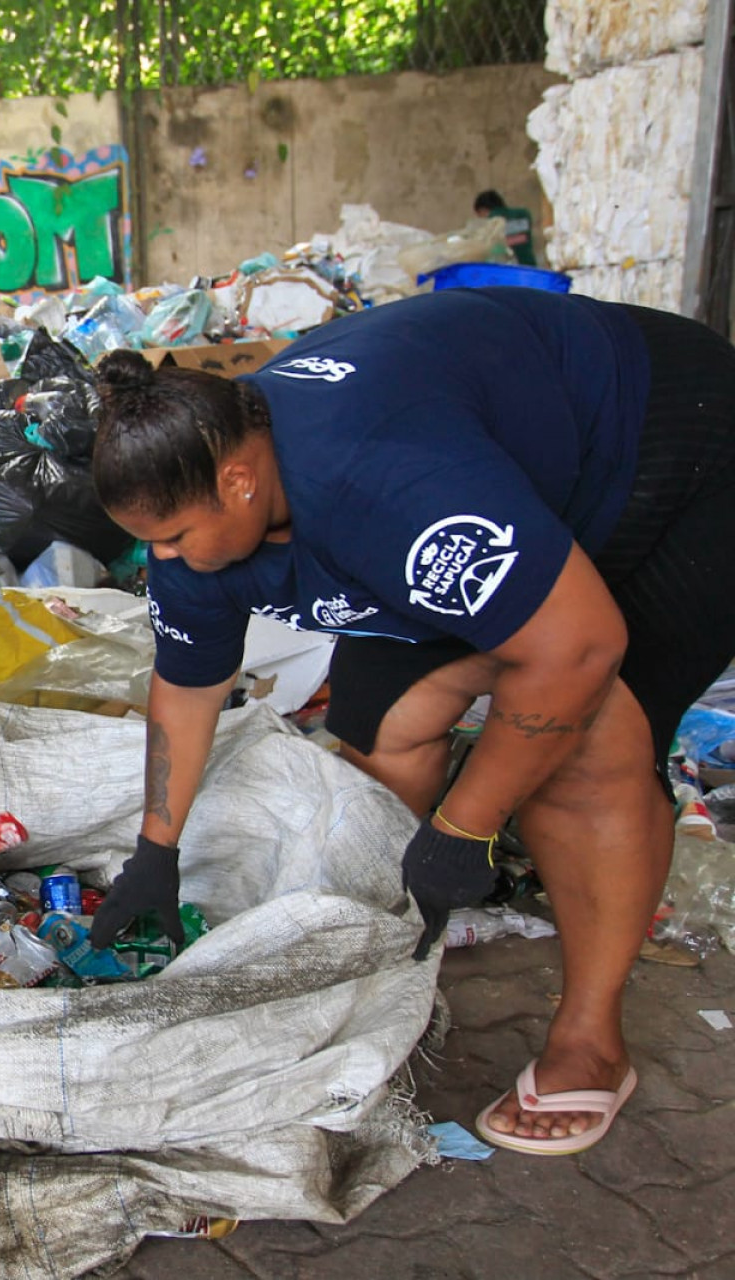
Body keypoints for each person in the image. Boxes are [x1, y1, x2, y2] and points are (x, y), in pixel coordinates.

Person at [81, 286, 735, 1157]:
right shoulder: (203, 501)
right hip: (483, 474)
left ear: (239, 481)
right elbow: (187, 689)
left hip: (668, 445)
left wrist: (468, 827)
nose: (166, 562)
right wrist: (154, 852)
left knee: (583, 749)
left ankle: (590, 1040)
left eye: (174, 539)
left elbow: (577, 647)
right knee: (386, 732)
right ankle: (370, 979)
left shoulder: (371, 480)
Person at [473, 189, 537, 268]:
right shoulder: (524, 214)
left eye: (480, 215)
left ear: (483, 210)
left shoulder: (492, 222)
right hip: (530, 267)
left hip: (506, 271)